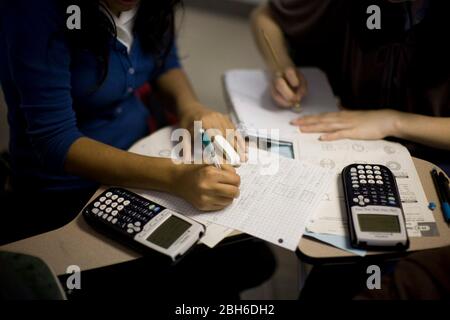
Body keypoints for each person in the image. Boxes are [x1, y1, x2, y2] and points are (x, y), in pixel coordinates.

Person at [0, 0, 275, 299]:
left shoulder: (150, 6)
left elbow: (165, 64)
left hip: (145, 155)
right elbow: (56, 142)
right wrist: (175, 178)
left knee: (249, 258)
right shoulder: (35, 12)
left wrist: (191, 108)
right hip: (66, 191)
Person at [251, 0, 450, 173]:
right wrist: (281, 66)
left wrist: (394, 122)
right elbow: (265, 16)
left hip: (431, 155)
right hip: (346, 126)